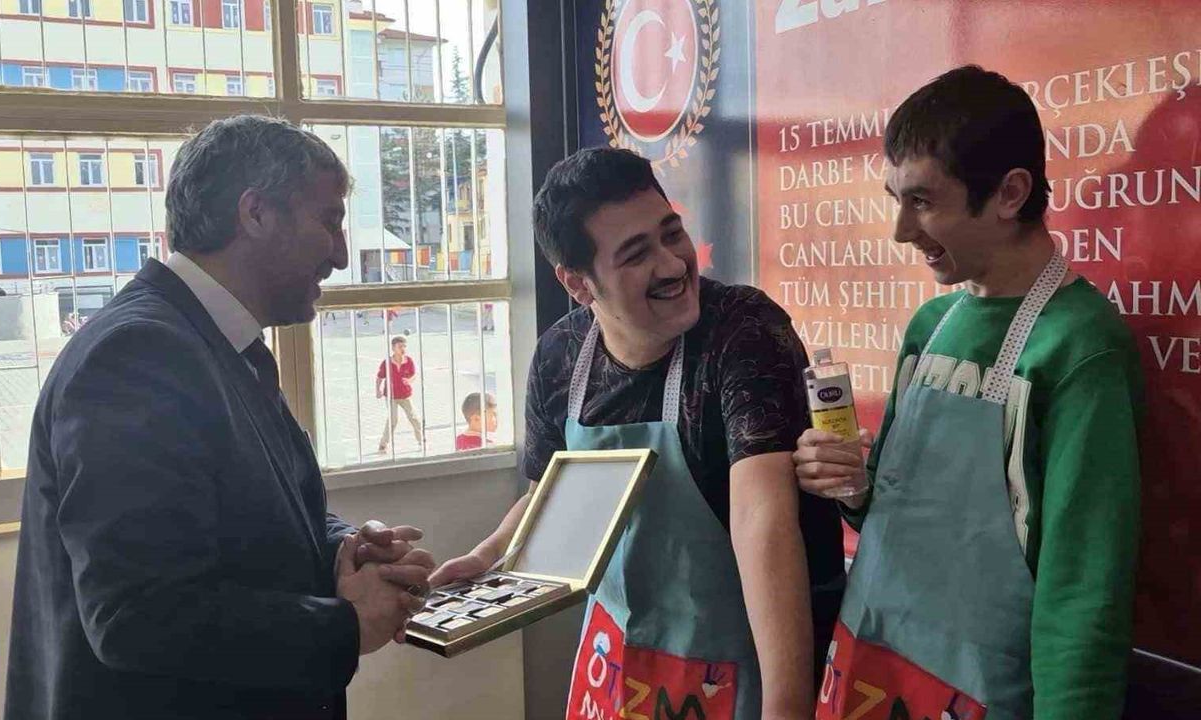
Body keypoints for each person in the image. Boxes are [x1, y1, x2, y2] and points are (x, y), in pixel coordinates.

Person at [5, 116, 436, 720]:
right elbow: (137, 614)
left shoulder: (217, 344)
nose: (340, 255)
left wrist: (343, 550)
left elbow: (247, 518)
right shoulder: (138, 354)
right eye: (329, 221)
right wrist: (346, 625)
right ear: (255, 214)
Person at [431, 148, 845, 719]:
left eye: (672, 234)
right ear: (578, 284)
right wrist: (490, 554)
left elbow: (762, 517)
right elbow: (551, 491)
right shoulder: (560, 356)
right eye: (636, 255)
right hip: (617, 656)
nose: (672, 265)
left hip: (743, 656)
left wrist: (785, 708)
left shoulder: (742, 330)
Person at [794, 66, 1142, 720]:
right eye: (895, 199)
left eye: (923, 201)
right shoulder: (931, 325)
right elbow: (891, 516)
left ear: (1010, 193)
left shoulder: (1079, 346)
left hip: (982, 690)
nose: (901, 230)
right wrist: (851, 487)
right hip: (869, 659)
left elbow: (1083, 590)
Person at [375, 335, 423, 453]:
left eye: (404, 346)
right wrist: (378, 390)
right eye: (400, 346)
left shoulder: (409, 361)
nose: (403, 349)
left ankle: (422, 441)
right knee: (393, 420)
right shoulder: (386, 363)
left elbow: (414, 375)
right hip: (391, 396)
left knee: (414, 418)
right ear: (393, 348)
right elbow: (379, 377)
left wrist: (409, 380)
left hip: (405, 396)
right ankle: (383, 445)